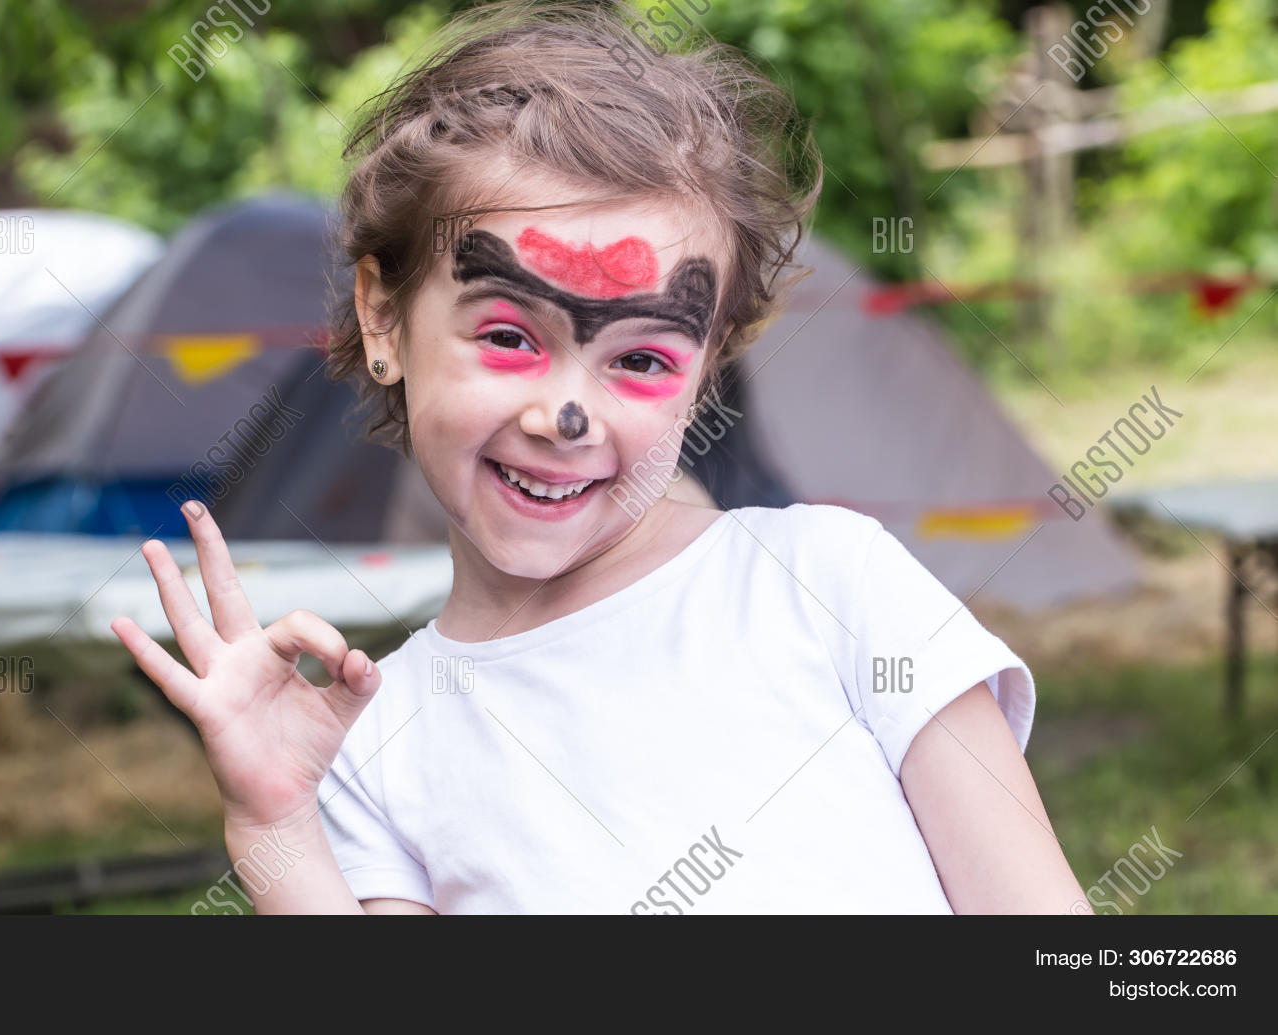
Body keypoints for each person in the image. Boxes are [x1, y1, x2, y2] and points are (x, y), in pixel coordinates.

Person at [111, 0, 1086, 914]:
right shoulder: (374, 742)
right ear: (383, 315)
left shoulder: (836, 585)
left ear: (709, 369)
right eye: (507, 337)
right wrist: (276, 821)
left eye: (643, 357)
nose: (565, 415)